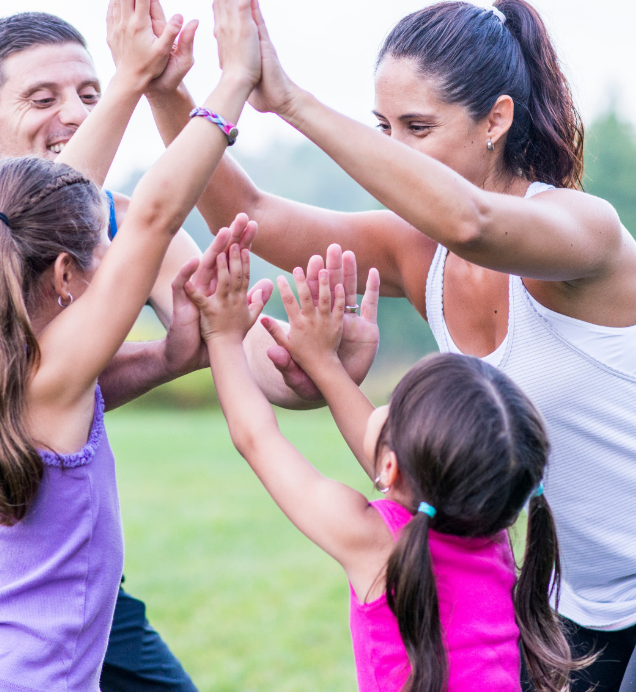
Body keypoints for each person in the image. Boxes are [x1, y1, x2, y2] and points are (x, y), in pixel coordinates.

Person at [144, 0, 636, 692]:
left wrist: (292, 101)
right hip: (582, 602)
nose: (394, 151)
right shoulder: (419, 252)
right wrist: (169, 95)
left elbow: (474, 223)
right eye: (384, 128)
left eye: (417, 127)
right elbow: (248, 211)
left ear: (495, 121)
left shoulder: (584, 231)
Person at [0, 0, 377, 692]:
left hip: (44, 567)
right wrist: (142, 86)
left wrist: (321, 359)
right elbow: (9, 361)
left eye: (89, 91)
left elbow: (244, 354)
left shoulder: (115, 220)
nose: (75, 112)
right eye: (42, 97)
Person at [0, 0, 271, 692]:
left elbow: (66, 206)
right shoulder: (55, 370)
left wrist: (172, 351)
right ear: (66, 276)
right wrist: (232, 84)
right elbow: (154, 212)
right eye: (96, 253)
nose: (109, 262)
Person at [184, 238, 582, 692]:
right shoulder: (488, 530)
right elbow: (408, 464)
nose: (375, 413)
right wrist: (323, 364)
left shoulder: (373, 541)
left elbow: (257, 439)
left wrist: (222, 335)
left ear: (391, 467)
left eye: (388, 407)